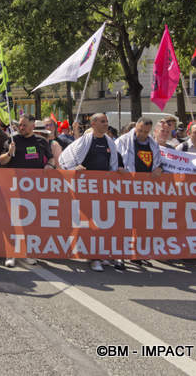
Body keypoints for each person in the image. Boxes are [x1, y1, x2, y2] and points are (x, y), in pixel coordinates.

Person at [59, 113, 119, 272]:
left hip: (103, 191)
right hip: (84, 191)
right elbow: (65, 160)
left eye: (106, 121)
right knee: (87, 226)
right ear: (93, 124)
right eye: (102, 121)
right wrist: (74, 169)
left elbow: (113, 165)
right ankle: (93, 258)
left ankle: (99, 254)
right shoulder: (84, 142)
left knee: (102, 225)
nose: (106, 124)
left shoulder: (110, 143)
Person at [0, 117, 54, 268]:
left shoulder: (41, 141)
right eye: (20, 125)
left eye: (24, 125)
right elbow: (1, 161)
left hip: (34, 188)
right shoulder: (12, 140)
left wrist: (49, 165)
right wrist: (9, 153)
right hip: (14, 187)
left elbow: (51, 159)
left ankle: (28, 252)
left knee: (30, 222)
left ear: (32, 126)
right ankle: (10, 254)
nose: (21, 127)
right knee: (13, 220)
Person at [114, 117, 162, 269]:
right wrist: (120, 168)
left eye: (146, 132)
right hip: (126, 188)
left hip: (145, 189)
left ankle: (135, 254)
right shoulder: (123, 141)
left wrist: (159, 169)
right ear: (136, 127)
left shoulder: (153, 144)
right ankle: (119, 255)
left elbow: (158, 163)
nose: (142, 134)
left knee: (140, 224)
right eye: (140, 130)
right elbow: (115, 159)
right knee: (123, 223)